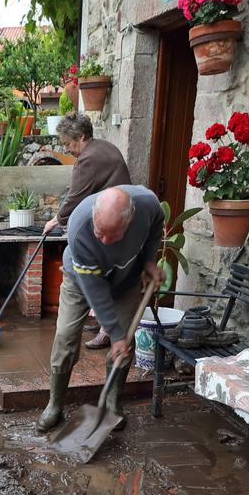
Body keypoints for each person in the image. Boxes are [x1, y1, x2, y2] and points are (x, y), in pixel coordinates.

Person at [37, 185, 164, 433]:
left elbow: (156, 225)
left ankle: (113, 404)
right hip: (81, 281)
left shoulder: (148, 205)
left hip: (126, 281)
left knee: (125, 344)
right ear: (94, 216)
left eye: (112, 235)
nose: (104, 241)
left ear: (131, 218)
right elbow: (95, 291)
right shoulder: (79, 226)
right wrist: (113, 334)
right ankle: (55, 404)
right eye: (100, 233)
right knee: (65, 336)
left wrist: (149, 260)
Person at [42, 113, 131, 350]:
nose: (67, 149)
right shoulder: (105, 147)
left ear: (81, 136)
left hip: (106, 226)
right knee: (107, 275)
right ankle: (103, 321)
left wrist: (57, 220)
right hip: (120, 218)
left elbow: (74, 197)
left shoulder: (87, 160)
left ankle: (107, 332)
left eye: (68, 143)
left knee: (97, 276)